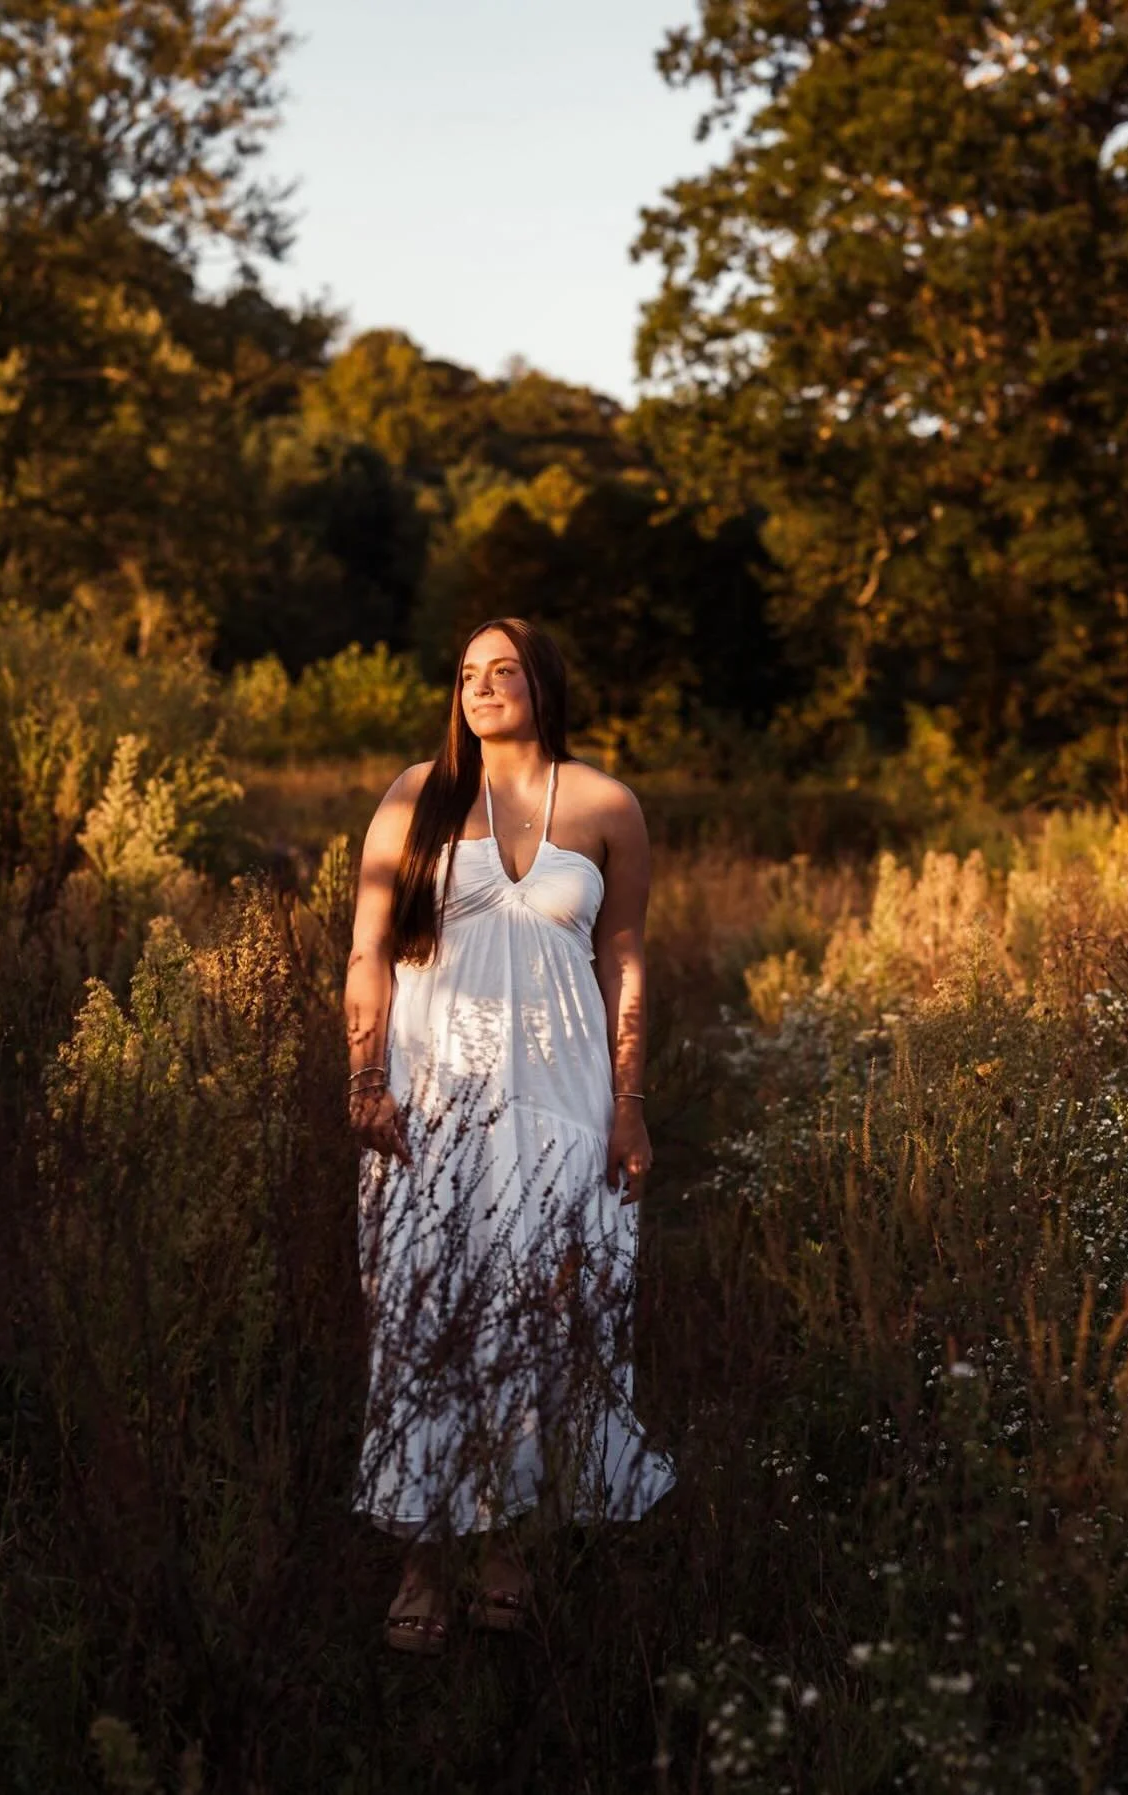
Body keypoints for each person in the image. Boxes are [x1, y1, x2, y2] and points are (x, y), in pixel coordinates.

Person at [343, 616, 676, 1655]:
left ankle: (507, 1545)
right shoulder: (419, 795)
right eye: (468, 673)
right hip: (435, 1090)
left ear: (545, 683)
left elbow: (622, 956)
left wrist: (628, 1102)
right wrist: (363, 1075)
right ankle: (421, 1558)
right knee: (422, 1309)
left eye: (505, 670)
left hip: (564, 1093)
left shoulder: (609, 805)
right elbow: (365, 950)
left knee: (546, 1313)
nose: (482, 687)